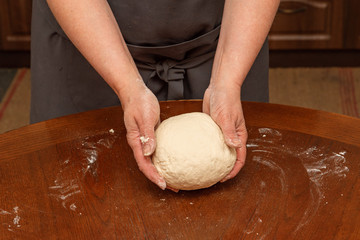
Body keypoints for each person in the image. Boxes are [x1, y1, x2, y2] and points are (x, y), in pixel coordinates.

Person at [31, 0, 280, 191]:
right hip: (89, 38)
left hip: (230, 40)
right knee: (81, 193)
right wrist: (128, 88)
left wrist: (227, 83)